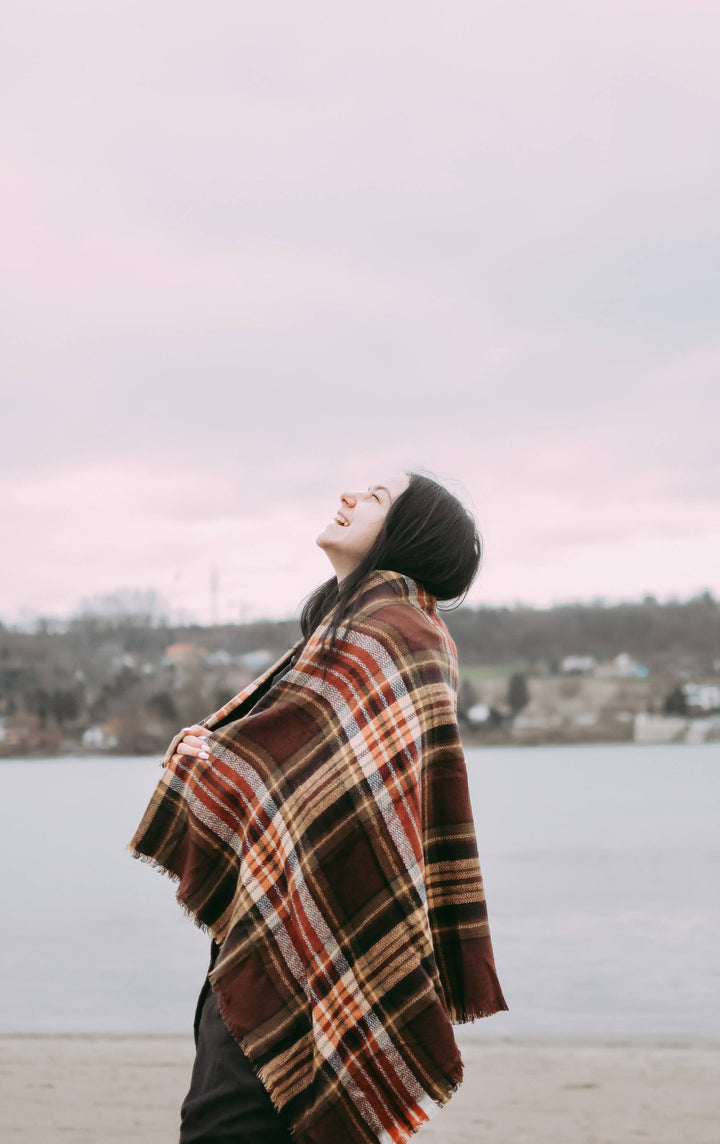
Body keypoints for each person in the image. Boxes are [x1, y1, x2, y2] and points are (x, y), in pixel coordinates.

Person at [129, 471, 507, 1144]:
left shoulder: (393, 633)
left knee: (226, 1125)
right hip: (288, 918)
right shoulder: (370, 625)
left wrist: (201, 753)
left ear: (409, 531)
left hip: (311, 927)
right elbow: (302, 775)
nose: (348, 498)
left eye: (375, 498)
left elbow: (302, 780)